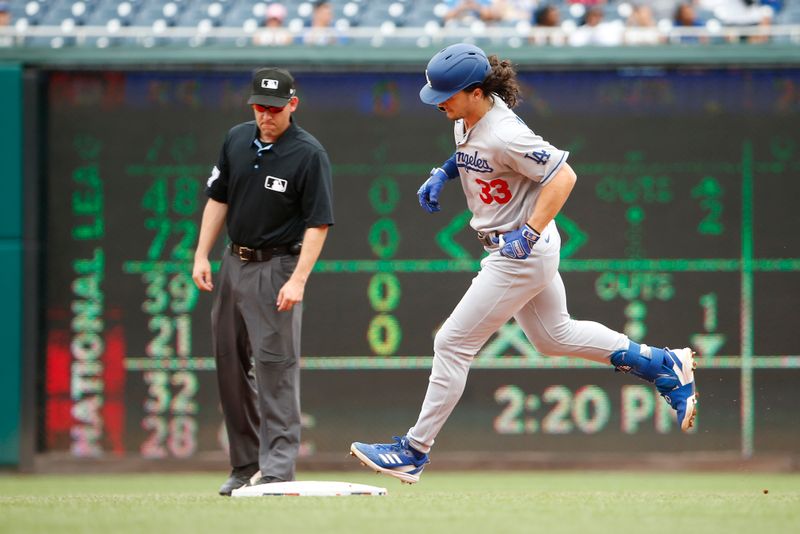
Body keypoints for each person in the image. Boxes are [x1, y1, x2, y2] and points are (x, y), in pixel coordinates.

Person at [350, 43, 697, 484]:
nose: (439, 102)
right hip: (516, 247)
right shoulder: (467, 117)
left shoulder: (505, 131)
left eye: (447, 95)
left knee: (452, 344)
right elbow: (475, 156)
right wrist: (444, 171)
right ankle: (661, 363)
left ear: (476, 91)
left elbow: (563, 175)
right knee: (555, 336)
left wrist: (529, 231)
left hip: (519, 252)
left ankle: (413, 451)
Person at [193, 67, 334, 496]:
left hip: (277, 268)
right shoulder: (237, 139)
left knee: (275, 370)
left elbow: (318, 223)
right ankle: (245, 464)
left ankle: (276, 470)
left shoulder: (308, 154)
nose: (266, 116)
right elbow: (219, 198)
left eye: (274, 108)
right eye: (259, 107)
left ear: (292, 105)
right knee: (230, 366)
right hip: (234, 263)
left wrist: (299, 280)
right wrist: (201, 253)